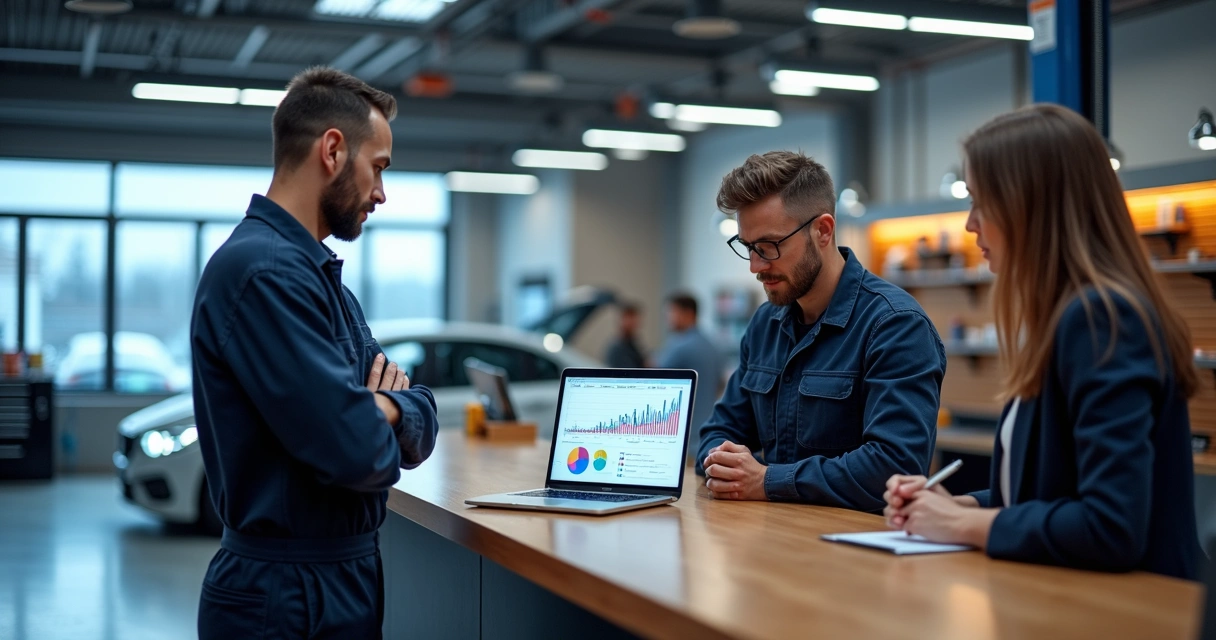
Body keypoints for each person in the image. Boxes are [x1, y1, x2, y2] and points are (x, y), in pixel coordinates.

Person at [883, 104, 1203, 581]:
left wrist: (961, 525)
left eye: (981, 202)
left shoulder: (1101, 319)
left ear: (1029, 206)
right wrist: (957, 505)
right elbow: (1049, 495)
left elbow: (1109, 526)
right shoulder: (1065, 317)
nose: (970, 224)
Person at [191, 66, 440, 637]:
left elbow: (418, 421)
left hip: (335, 577)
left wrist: (386, 407)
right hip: (285, 595)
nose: (381, 193)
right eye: (378, 167)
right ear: (332, 150)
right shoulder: (266, 274)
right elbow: (359, 453)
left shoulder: (320, 280)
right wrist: (373, 415)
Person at [699, 151, 946, 511]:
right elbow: (718, 431)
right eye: (748, 247)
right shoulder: (765, 324)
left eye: (769, 247)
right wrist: (722, 463)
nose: (755, 266)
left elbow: (895, 466)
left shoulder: (895, 325)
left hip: (856, 543)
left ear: (823, 231)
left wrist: (767, 480)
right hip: (774, 536)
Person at [654, 292, 723, 460]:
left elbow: (654, 382)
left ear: (688, 313)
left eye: (671, 312)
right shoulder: (712, 346)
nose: (667, 318)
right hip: (705, 437)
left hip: (681, 442)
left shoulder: (679, 346)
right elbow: (719, 385)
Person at [603, 301, 646, 369]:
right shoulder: (617, 347)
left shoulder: (631, 343)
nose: (633, 322)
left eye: (635, 318)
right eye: (629, 317)